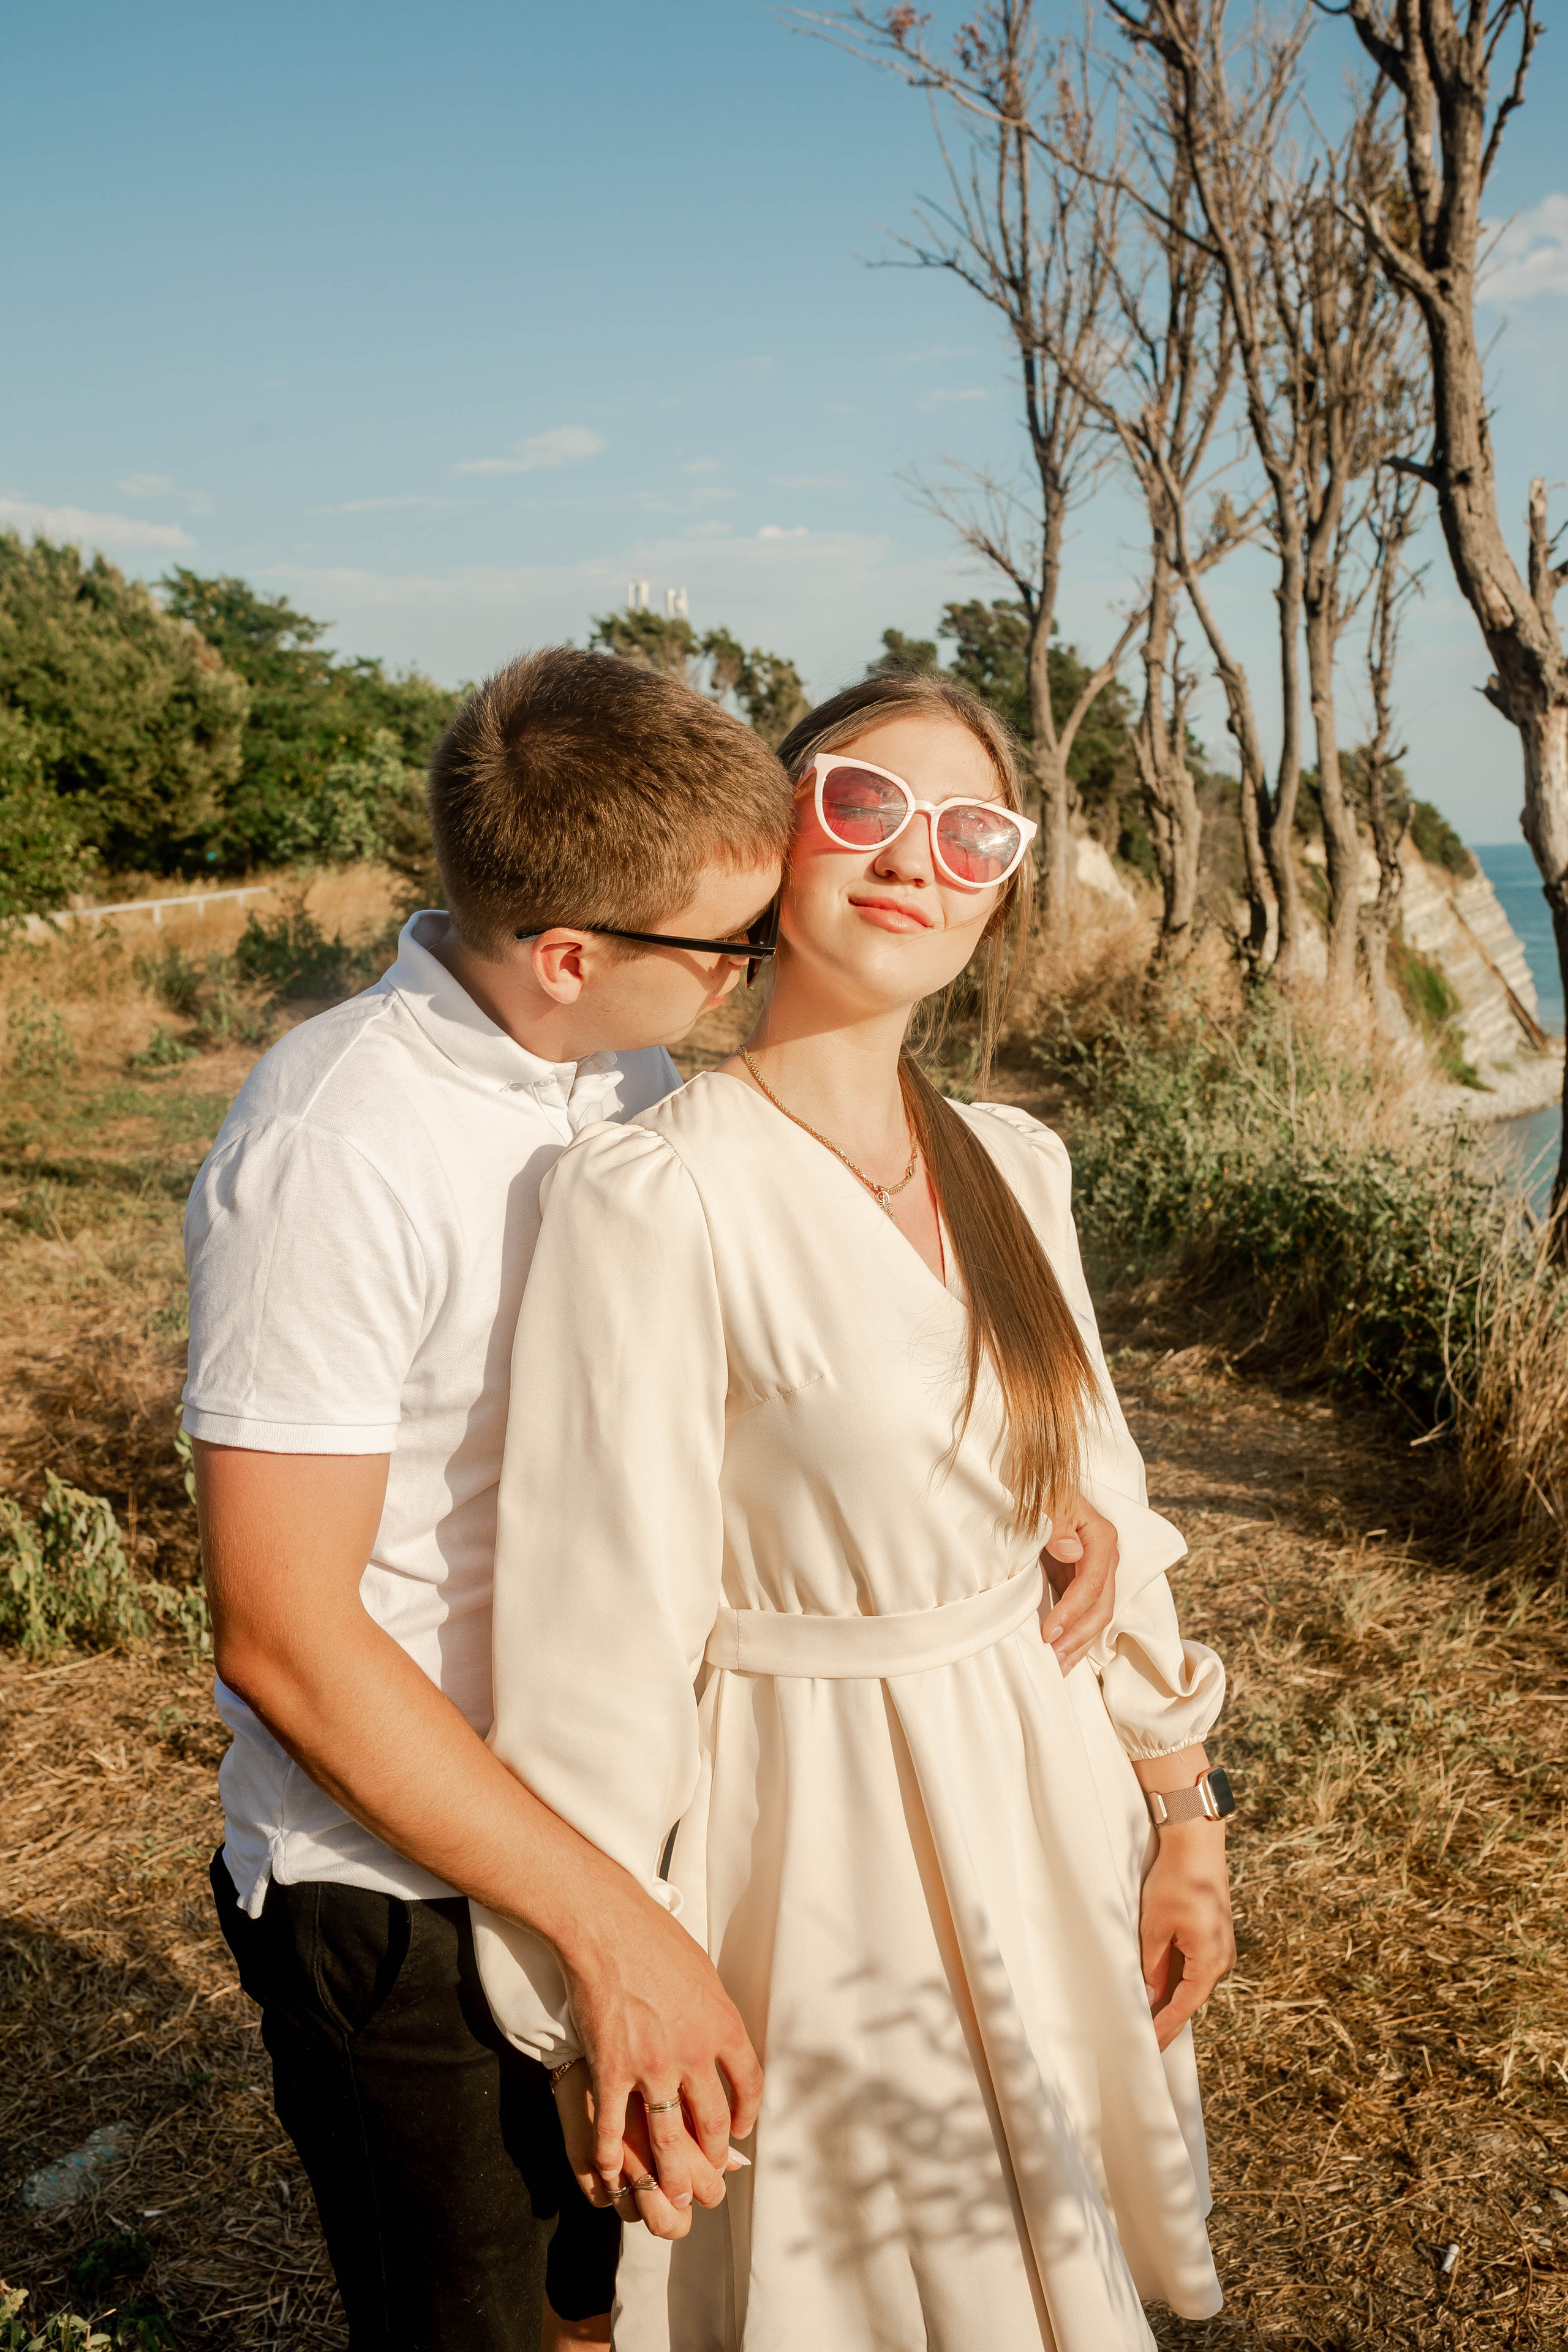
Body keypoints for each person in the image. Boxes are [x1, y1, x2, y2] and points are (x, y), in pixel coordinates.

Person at [184, 647, 1120, 2352]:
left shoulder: (620, 1069)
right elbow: (286, 1637)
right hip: (408, 1880)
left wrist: (1002, 1495)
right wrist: (608, 1930)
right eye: (728, 947)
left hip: (638, 1820)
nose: (757, 963)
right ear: (569, 956)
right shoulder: (336, 1152)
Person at [474, 669, 1236, 2351]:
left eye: (972, 831)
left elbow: (1100, 1496)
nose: (916, 859)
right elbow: (603, 1634)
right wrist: (598, 1985)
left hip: (1045, 1803)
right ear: (776, 834)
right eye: (863, 806)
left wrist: (1187, 1813)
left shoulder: (1012, 1164)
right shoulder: (658, 1194)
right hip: (819, 1836)